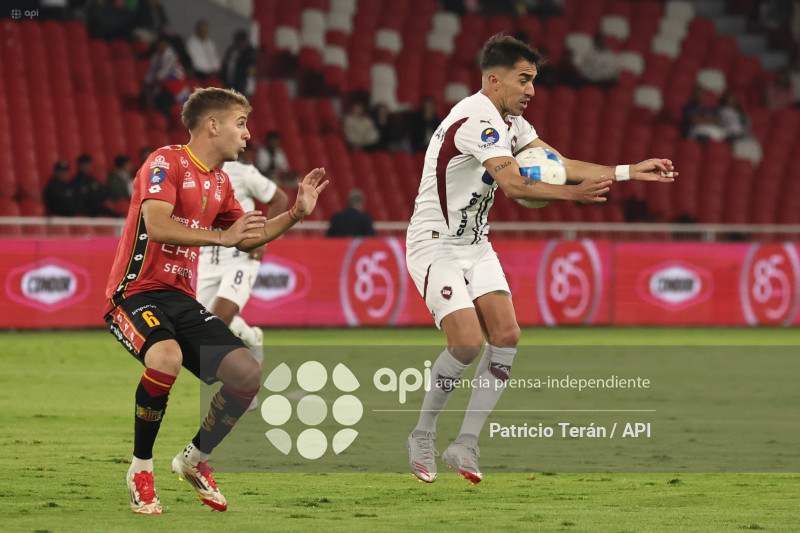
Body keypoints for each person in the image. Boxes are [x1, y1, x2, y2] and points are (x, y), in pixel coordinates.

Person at [404, 34, 676, 485]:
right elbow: (512, 184)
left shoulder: (511, 123)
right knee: (468, 343)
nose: (532, 90)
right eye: (524, 80)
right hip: (434, 245)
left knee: (507, 335)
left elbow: (558, 161)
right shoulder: (477, 120)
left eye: (534, 80)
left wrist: (629, 171)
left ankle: (465, 442)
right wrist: (574, 197)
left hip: (475, 244)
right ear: (494, 81)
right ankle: (422, 434)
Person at [103, 87, 328, 515]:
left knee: (246, 375)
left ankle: (194, 459)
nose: (247, 134)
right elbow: (157, 224)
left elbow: (252, 235)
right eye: (241, 123)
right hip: (134, 292)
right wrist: (219, 237)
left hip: (180, 297)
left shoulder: (220, 182)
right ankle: (140, 469)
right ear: (212, 125)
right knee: (165, 359)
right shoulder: (164, 161)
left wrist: (296, 213)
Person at [196, 145, 289, 411]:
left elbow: (280, 199)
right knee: (200, 327)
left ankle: (243, 387)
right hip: (207, 259)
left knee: (219, 320)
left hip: (240, 257)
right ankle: (250, 335)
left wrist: (263, 237)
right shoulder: (193, 176)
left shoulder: (244, 173)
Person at [221, 29, 257, 99]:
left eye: (240, 42)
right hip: (229, 82)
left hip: (242, 84)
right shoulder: (231, 50)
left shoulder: (249, 52)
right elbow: (225, 64)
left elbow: (251, 71)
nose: (238, 44)